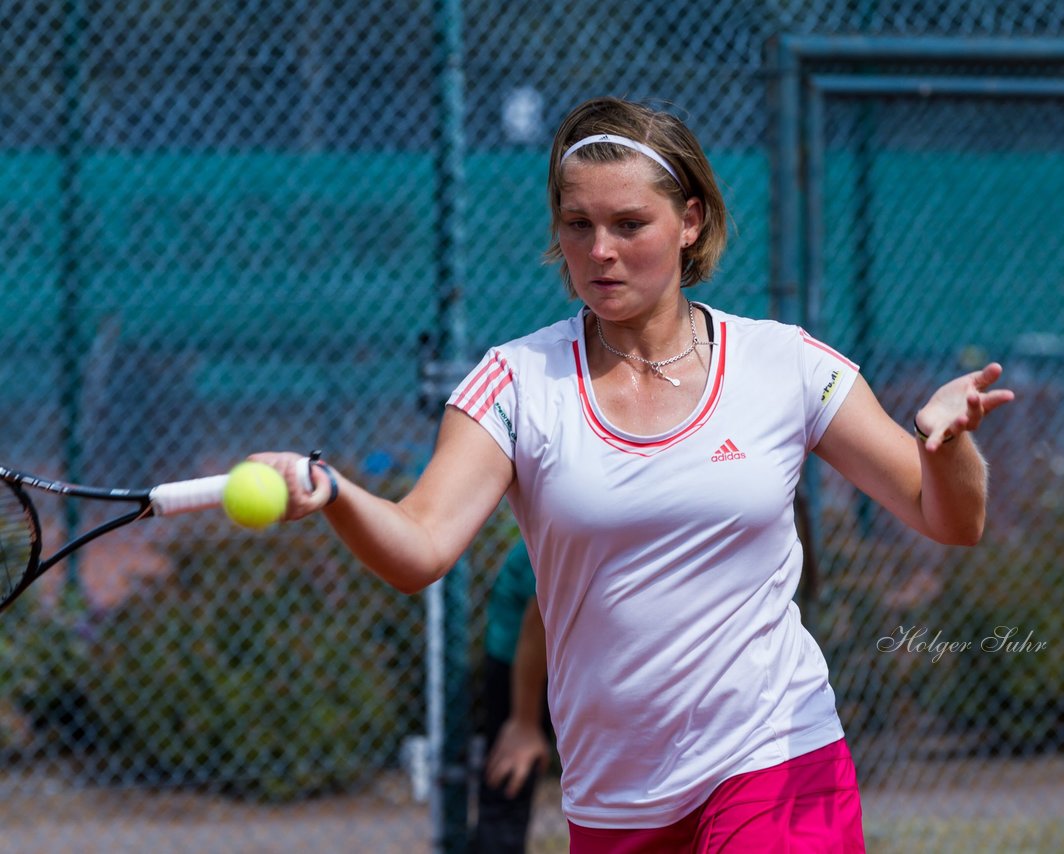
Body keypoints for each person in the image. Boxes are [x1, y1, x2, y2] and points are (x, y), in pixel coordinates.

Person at [255, 96, 1014, 851]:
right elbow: (420, 546)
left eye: (629, 225)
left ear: (688, 223)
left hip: (776, 758)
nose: (600, 251)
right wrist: (335, 492)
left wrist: (946, 448)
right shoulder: (517, 382)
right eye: (578, 226)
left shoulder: (784, 365)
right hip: (616, 800)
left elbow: (951, 519)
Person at [472, 540, 553, 853]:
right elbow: (538, 623)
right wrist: (524, 723)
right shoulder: (553, 536)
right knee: (512, 776)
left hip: (562, 661)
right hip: (519, 668)